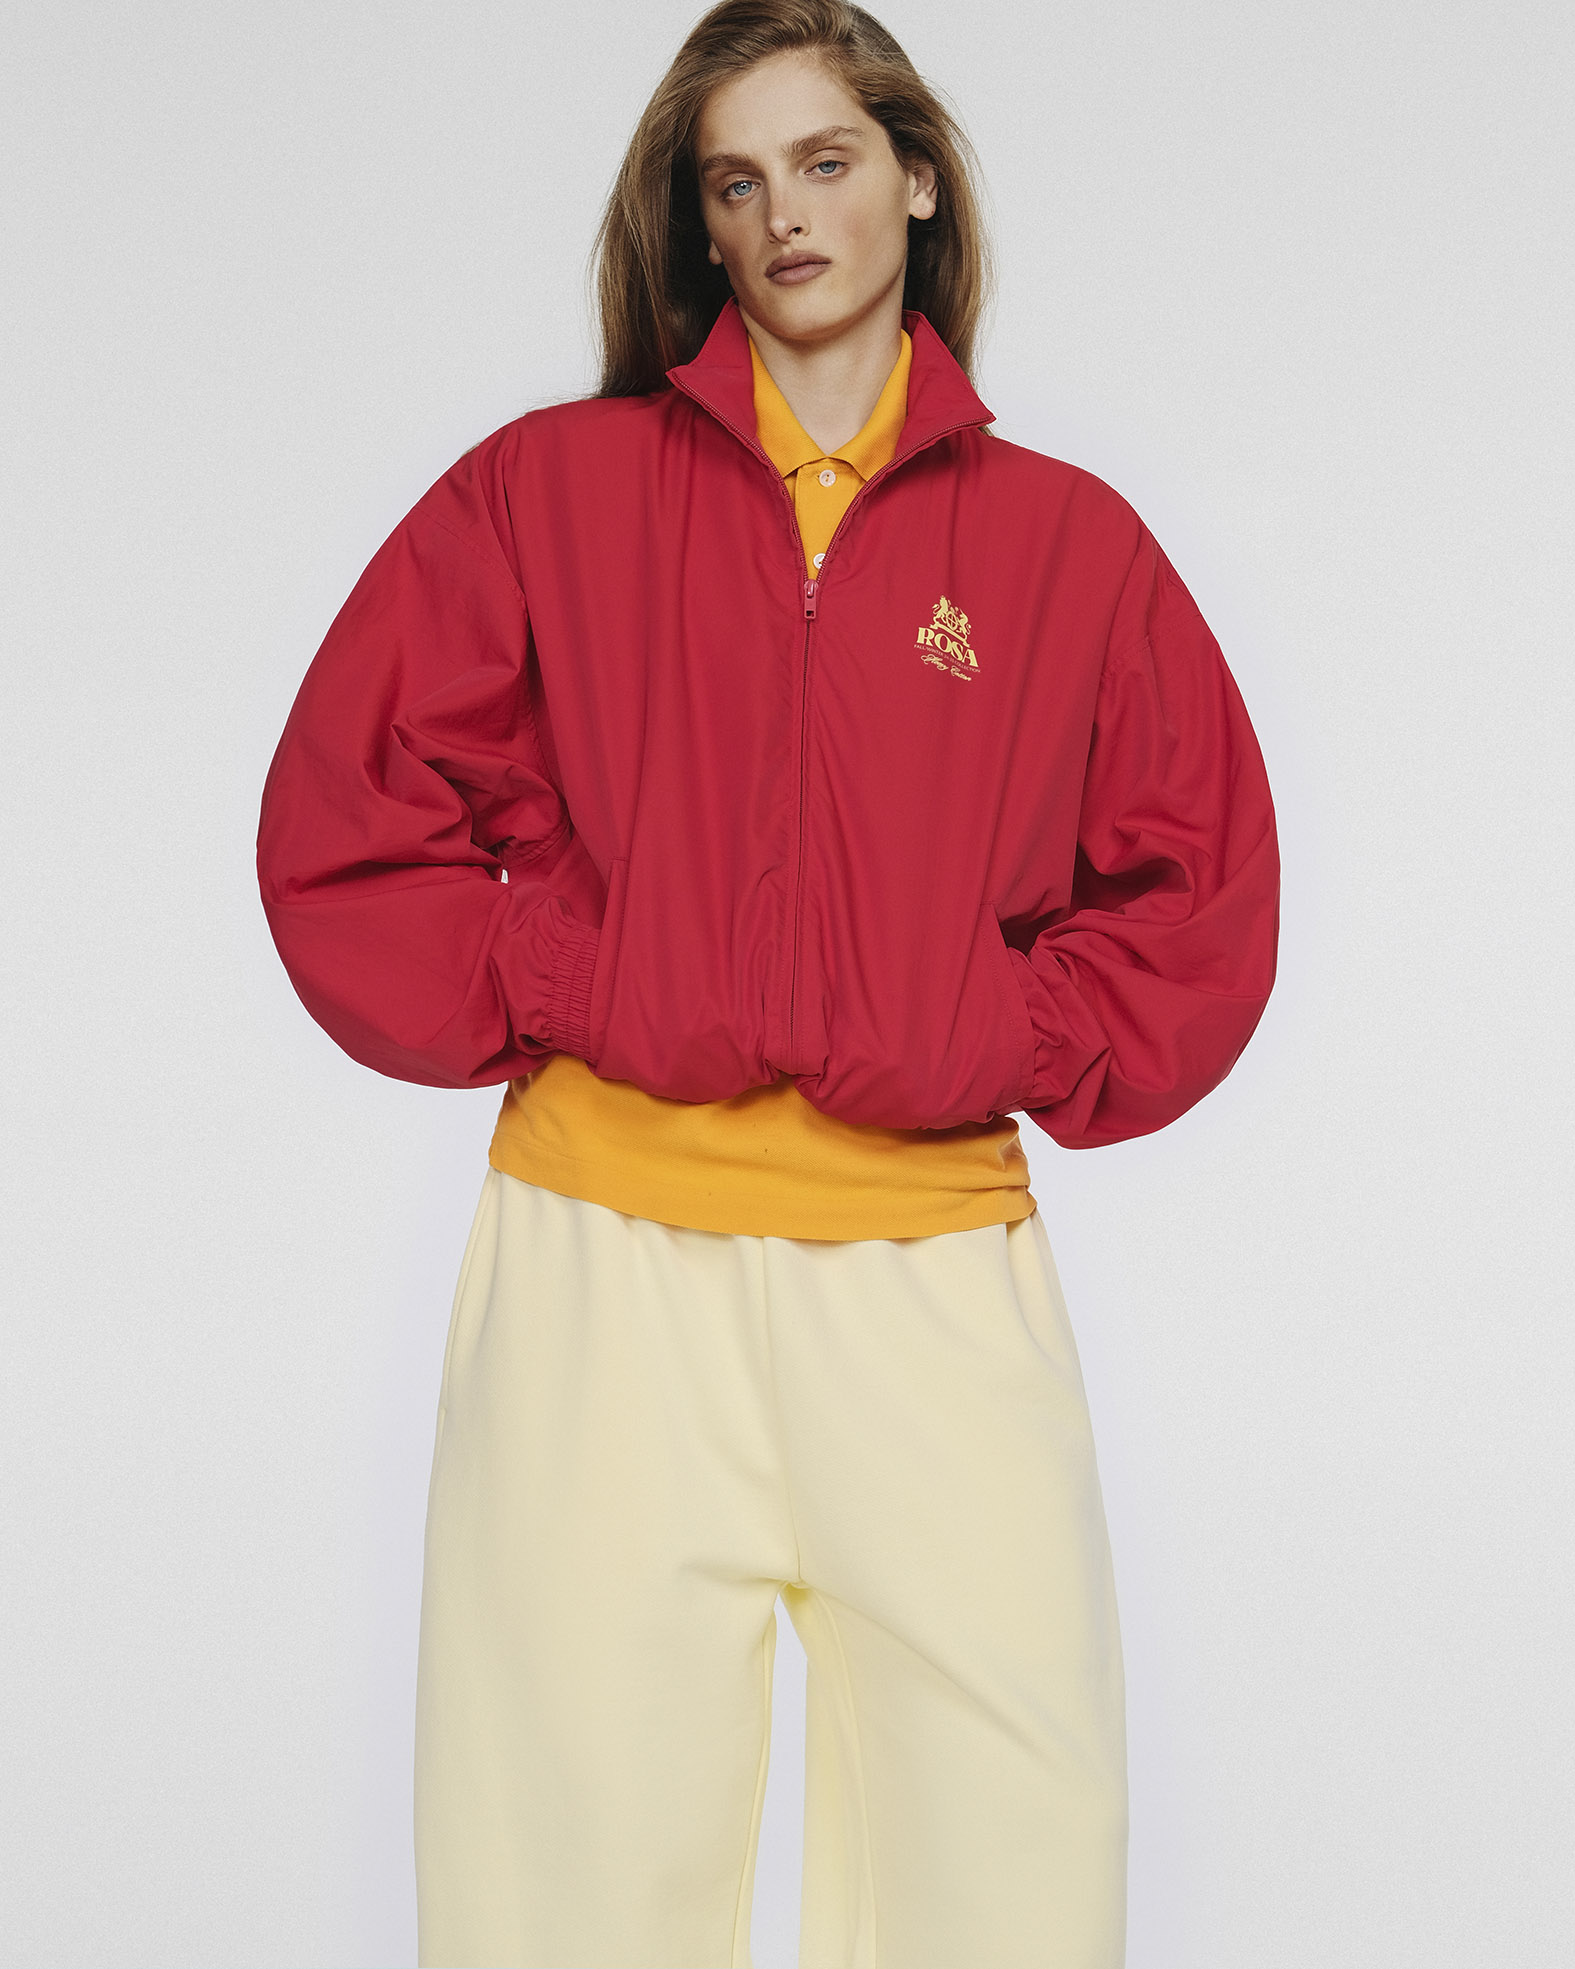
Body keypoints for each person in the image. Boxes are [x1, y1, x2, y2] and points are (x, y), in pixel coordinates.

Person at [255, 1, 1280, 1963]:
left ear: (916, 178)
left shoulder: (1065, 547)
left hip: (930, 1279)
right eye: (736, 182)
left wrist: (990, 1029)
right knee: (559, 1887)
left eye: (824, 161)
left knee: (1010, 1876)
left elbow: (1200, 892)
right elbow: (342, 819)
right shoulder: (546, 494)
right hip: (599, 1271)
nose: (785, 215)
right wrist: (577, 970)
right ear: (698, 224)